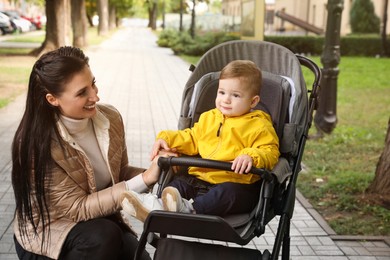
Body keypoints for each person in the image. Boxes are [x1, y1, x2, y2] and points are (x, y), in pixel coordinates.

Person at [11, 46, 162, 260]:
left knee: (137, 255)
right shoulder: (37, 145)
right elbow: (77, 208)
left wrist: (161, 167)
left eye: (93, 84)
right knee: (104, 236)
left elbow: (120, 173)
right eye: (82, 93)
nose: (95, 96)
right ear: (52, 99)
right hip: (49, 238)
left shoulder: (110, 118)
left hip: (98, 224)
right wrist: (145, 179)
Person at [121, 60, 280, 222]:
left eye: (236, 95)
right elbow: (192, 138)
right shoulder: (208, 118)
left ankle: (188, 210)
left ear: (253, 101)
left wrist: (251, 156)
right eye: (222, 92)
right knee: (177, 185)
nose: (226, 100)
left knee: (226, 195)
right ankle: (158, 204)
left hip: (234, 183)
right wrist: (166, 138)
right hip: (199, 179)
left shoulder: (259, 125)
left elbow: (270, 151)